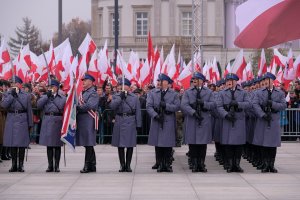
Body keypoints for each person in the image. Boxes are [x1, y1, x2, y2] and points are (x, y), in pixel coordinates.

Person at [181, 72, 216, 172]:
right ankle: (195, 164)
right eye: (193, 79)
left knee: (202, 144)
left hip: (204, 119)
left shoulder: (208, 92)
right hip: (192, 119)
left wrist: (204, 104)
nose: (194, 80)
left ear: (202, 81)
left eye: (197, 79)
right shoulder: (188, 92)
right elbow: (184, 105)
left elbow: (213, 104)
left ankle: (201, 164)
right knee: (192, 144)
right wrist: (193, 112)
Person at [252, 72, 287, 173]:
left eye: (267, 80)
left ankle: (271, 165)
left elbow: (283, 105)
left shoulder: (279, 93)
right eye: (264, 80)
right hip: (263, 119)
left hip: (273, 119)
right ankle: (265, 164)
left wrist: (273, 104)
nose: (265, 82)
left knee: (272, 144)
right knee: (263, 143)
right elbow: (255, 104)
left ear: (272, 81)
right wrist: (262, 114)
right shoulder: (259, 92)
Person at [216, 73, 251, 173]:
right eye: (227, 81)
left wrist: (238, 104)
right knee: (228, 144)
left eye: (231, 81)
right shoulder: (222, 93)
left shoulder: (243, 92)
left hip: (239, 120)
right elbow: (219, 106)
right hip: (228, 120)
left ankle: (237, 164)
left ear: (236, 82)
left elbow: (249, 104)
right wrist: (225, 115)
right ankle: (230, 165)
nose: (229, 83)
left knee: (238, 144)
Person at [146, 73, 180, 172]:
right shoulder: (152, 93)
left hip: (168, 120)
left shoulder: (173, 94)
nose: (159, 83)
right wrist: (155, 115)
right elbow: (149, 106)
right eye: (158, 81)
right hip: (157, 120)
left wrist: (166, 106)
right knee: (158, 144)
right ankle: (160, 163)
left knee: (168, 144)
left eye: (161, 81)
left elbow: (177, 106)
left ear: (167, 83)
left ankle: (167, 164)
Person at [1, 76, 33, 172]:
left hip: (22, 119)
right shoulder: (8, 94)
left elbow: (29, 110)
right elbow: (3, 105)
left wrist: (30, 123)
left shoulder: (26, 95)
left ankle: (21, 165)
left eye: (15, 83)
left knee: (22, 144)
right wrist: (11, 95)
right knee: (13, 143)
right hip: (11, 119)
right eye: (12, 84)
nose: (13, 85)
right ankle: (14, 165)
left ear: (19, 84)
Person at [109, 78, 141, 172]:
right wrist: (120, 98)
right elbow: (112, 106)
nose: (120, 87)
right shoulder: (116, 96)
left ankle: (128, 165)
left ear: (128, 86)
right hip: (119, 119)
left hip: (130, 120)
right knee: (120, 145)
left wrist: (138, 124)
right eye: (119, 85)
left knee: (130, 144)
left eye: (123, 85)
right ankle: (122, 165)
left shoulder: (134, 97)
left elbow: (138, 111)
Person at [37, 79, 66, 172]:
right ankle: (50, 165)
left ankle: (57, 166)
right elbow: (38, 105)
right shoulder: (45, 96)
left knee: (57, 145)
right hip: (48, 120)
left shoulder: (62, 97)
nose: (51, 88)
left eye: (53, 86)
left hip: (58, 120)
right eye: (50, 86)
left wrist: (53, 98)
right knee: (49, 145)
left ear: (57, 88)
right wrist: (47, 96)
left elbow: (62, 107)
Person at [76, 74, 99, 173]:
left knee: (88, 143)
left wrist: (77, 107)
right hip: (82, 119)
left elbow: (90, 105)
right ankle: (92, 165)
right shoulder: (83, 92)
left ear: (90, 81)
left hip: (89, 119)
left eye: (85, 80)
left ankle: (87, 165)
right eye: (83, 80)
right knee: (87, 143)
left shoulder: (93, 93)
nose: (83, 82)